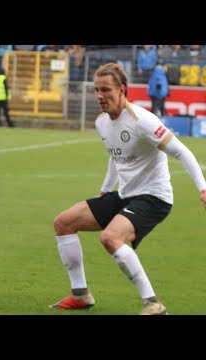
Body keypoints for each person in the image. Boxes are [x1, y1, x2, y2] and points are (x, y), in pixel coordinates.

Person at [50, 63, 206, 315]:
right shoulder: (102, 122)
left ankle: (152, 303)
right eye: (96, 90)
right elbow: (116, 155)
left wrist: (203, 188)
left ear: (122, 90)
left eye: (106, 90)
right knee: (64, 222)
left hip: (154, 197)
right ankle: (80, 294)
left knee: (110, 237)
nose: (100, 96)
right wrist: (105, 189)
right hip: (125, 195)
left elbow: (182, 152)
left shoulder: (142, 120)